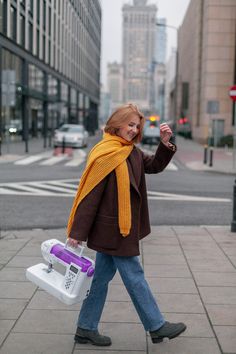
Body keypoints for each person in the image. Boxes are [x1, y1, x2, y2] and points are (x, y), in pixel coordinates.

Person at [67, 103, 187, 346]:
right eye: (130, 125)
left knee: (100, 279)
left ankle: (85, 327)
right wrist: (76, 233)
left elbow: (154, 165)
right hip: (114, 229)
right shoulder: (106, 152)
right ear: (117, 123)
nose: (133, 130)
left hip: (121, 227)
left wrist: (165, 142)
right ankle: (156, 325)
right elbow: (90, 195)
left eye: (137, 126)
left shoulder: (129, 151)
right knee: (134, 275)